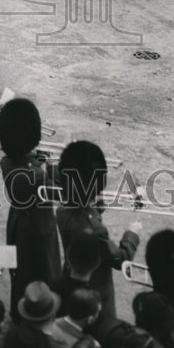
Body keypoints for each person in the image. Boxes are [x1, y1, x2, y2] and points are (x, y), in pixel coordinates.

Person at [55, 141, 141, 337]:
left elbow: (82, 211)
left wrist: (93, 204)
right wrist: (132, 234)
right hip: (96, 292)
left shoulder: (62, 211)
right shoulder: (95, 229)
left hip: (72, 278)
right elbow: (120, 259)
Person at [0, 97, 61, 320]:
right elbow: (62, 191)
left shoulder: (8, 161)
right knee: (44, 272)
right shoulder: (35, 175)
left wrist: (38, 161)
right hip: (39, 229)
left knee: (21, 272)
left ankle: (19, 311)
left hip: (18, 222)